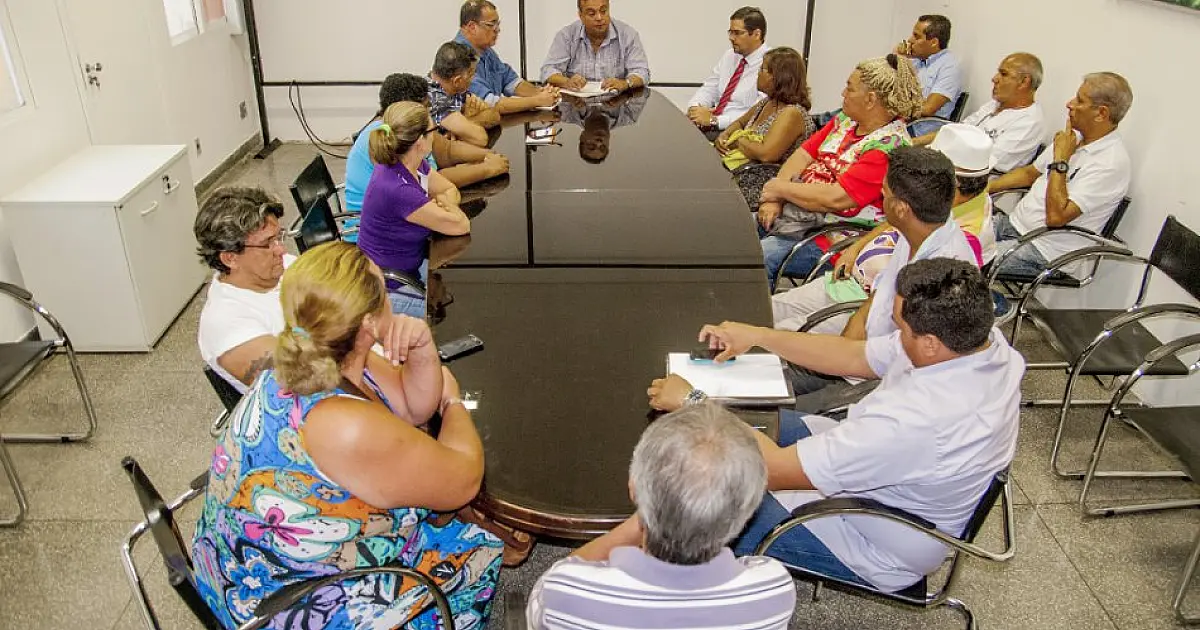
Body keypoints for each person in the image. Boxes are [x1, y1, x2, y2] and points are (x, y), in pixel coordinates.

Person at [651, 258, 1022, 595]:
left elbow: (774, 470)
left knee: (698, 509)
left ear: (929, 344)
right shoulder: (979, 343)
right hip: (875, 472)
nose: (894, 332)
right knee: (743, 424)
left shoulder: (919, 421)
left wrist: (695, 401)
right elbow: (855, 356)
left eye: (900, 327)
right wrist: (760, 336)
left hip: (870, 539)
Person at [192, 241, 502, 630]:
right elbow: (464, 480)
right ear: (369, 323)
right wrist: (454, 402)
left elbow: (411, 406)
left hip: (241, 565)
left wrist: (423, 348)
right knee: (477, 548)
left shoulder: (313, 356)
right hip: (280, 603)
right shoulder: (343, 424)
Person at [526, 403, 797, 629]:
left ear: (634, 487)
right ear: (750, 506)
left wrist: (642, 518)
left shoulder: (568, 591)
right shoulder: (775, 588)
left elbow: (536, 609)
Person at [195, 187, 427, 392]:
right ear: (230, 258)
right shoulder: (225, 323)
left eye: (279, 237)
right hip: (343, 403)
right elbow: (305, 385)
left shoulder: (285, 265)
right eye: (267, 244)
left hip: (373, 369)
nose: (280, 249)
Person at [772, 125, 995, 334]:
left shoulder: (963, 242)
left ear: (950, 185)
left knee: (779, 336)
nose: (883, 196)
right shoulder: (937, 208)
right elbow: (897, 220)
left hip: (866, 309)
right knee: (767, 311)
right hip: (850, 283)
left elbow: (889, 317)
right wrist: (856, 248)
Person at [757, 54, 923, 291]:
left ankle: (758, 320)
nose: (843, 94)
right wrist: (774, 198)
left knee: (757, 258)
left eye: (849, 88)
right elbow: (803, 155)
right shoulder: (844, 121)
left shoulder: (888, 147)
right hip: (798, 212)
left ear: (870, 99)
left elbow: (835, 198)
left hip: (833, 235)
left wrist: (777, 188)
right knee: (737, 232)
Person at [989, 72, 1133, 278]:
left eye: (1080, 100)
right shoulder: (1073, 138)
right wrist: (986, 189)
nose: (1070, 104)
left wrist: (1061, 161)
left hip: (1044, 251)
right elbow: (1030, 173)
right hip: (1014, 224)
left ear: (1101, 113)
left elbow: (1056, 217)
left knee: (962, 261)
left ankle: (995, 303)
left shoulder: (1111, 164)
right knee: (945, 235)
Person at [358, 102, 471, 319]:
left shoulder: (410, 164)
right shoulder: (398, 188)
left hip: (410, 267)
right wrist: (444, 209)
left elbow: (449, 189)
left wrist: (442, 207)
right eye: (433, 131)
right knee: (461, 315)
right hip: (390, 289)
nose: (437, 135)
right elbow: (461, 225)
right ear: (420, 141)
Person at [345, 73, 509, 212]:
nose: (429, 113)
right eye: (425, 108)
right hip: (382, 229)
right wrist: (487, 168)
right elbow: (434, 182)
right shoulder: (394, 137)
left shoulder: (408, 129)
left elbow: (446, 151)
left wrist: (488, 155)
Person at [914, 53, 1046, 174]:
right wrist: (912, 143)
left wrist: (930, 160)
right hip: (947, 164)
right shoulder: (995, 104)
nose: (994, 79)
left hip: (972, 181)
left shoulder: (1029, 122)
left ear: (1024, 82)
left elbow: (987, 164)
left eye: (1004, 74)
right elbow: (956, 130)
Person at [715, 46, 814, 207]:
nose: (758, 74)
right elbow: (740, 122)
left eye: (763, 69)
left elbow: (766, 154)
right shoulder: (767, 102)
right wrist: (725, 135)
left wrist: (738, 140)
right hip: (743, 172)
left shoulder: (792, 113)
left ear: (777, 77)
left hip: (761, 182)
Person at [455, 0, 561, 114]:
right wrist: (537, 100)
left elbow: (510, 82)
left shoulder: (486, 50)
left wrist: (540, 92)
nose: (497, 30)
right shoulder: (458, 58)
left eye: (498, 24)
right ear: (472, 27)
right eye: (491, 25)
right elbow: (490, 104)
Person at [687, 7, 770, 139]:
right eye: (730, 32)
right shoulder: (730, 55)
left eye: (737, 33)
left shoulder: (771, 64)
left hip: (738, 131)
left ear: (756, 34)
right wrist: (695, 108)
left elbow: (758, 113)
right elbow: (710, 87)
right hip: (713, 123)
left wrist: (715, 120)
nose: (731, 38)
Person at [541, 0, 650, 93]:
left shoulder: (628, 35)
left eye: (603, 11)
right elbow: (548, 70)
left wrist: (625, 83)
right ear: (581, 16)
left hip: (616, 105)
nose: (599, 18)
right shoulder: (566, 36)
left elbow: (642, 72)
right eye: (592, 13)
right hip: (576, 108)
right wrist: (567, 82)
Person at [895, 14, 962, 136]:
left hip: (918, 130)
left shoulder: (949, 67)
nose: (910, 40)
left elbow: (928, 109)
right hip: (901, 122)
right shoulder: (916, 61)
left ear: (933, 42)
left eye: (916, 36)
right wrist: (898, 56)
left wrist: (894, 106)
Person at [429, 41, 499, 147]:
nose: (473, 78)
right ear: (457, 80)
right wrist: (465, 128)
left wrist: (463, 125)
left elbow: (494, 115)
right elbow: (480, 138)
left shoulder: (455, 89)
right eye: (471, 74)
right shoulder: (435, 97)